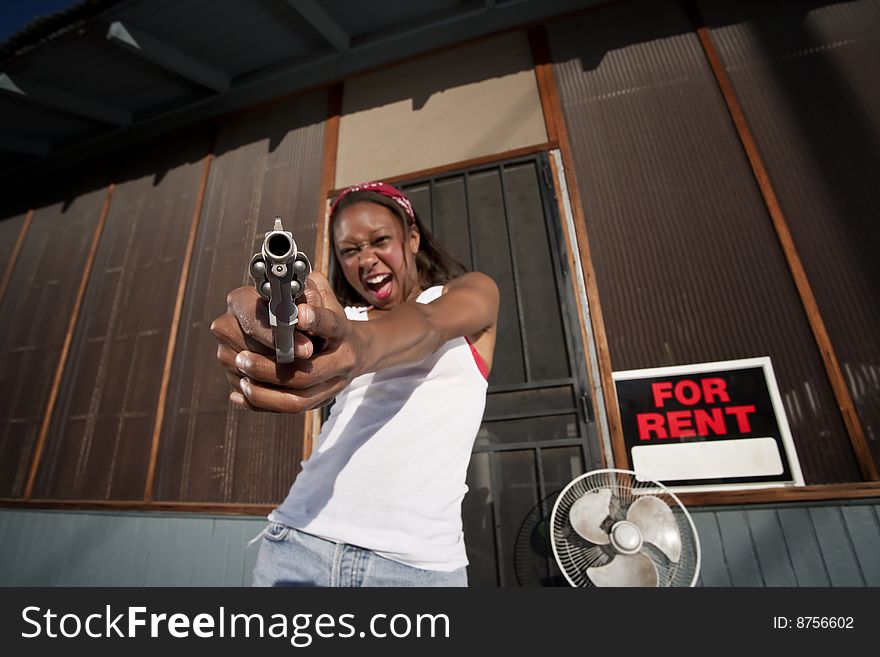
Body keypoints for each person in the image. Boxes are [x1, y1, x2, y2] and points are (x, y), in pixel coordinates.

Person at [210, 181, 499, 586]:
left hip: (416, 570)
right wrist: (258, 339)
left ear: (412, 238)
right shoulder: (346, 318)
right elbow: (309, 336)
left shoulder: (471, 293)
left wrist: (359, 346)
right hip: (299, 544)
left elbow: (428, 323)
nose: (366, 260)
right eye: (350, 250)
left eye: (380, 240)